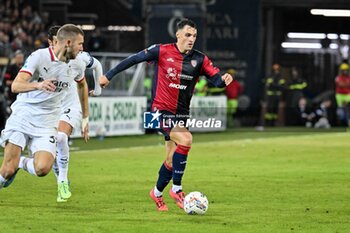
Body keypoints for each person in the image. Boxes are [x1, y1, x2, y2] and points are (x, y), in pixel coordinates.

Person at [99, 18, 233, 211]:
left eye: (194, 36)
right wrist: (108, 75)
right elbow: (134, 59)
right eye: (187, 35)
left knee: (171, 160)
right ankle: (177, 189)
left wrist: (224, 80)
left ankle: (157, 192)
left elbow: (216, 81)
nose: (191, 39)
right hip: (159, 112)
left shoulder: (200, 59)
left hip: (181, 114)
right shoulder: (161, 50)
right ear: (178, 34)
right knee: (186, 139)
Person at [0, 24, 89, 191]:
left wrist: (85, 117)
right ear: (68, 42)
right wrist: (38, 85)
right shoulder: (39, 57)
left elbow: (82, 86)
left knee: (42, 169)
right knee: (6, 171)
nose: (82, 48)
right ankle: (12, 167)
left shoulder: (78, 64)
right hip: (24, 115)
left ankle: (20, 162)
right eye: (80, 44)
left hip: (48, 122)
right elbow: (16, 86)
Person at [47, 25, 103, 202]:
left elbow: (90, 74)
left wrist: (98, 90)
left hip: (72, 105)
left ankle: (62, 181)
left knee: (61, 138)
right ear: (51, 42)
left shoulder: (79, 58)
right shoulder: (43, 59)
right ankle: (60, 178)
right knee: (50, 150)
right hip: (52, 107)